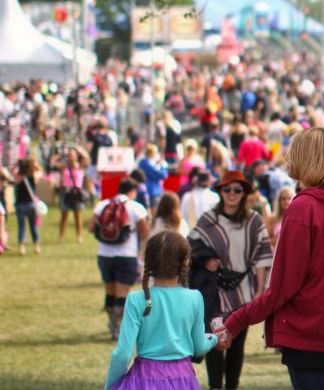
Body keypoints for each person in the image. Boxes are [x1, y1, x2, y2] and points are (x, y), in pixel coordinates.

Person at [215, 127, 324, 390]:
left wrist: (236, 321)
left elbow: (283, 286)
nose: (286, 156)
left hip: (309, 334)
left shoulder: (303, 207)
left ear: (306, 157)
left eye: (292, 151)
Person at [189, 170, 273, 390]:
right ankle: (215, 386)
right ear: (221, 192)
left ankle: (232, 386)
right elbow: (191, 247)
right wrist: (205, 260)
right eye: (227, 189)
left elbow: (262, 256)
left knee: (236, 343)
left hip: (244, 289)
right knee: (214, 341)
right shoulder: (209, 219)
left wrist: (258, 291)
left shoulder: (254, 220)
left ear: (244, 193)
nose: (232, 194)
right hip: (214, 291)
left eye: (237, 190)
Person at [105, 231, 219, 390]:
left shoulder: (136, 300)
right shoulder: (195, 298)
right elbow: (199, 347)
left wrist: (110, 385)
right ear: (186, 262)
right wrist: (213, 338)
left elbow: (123, 353)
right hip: (183, 380)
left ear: (147, 262)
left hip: (143, 380)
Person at [91, 177, 150, 341]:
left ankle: (111, 322)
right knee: (122, 293)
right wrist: (141, 251)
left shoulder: (102, 204)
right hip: (127, 254)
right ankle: (118, 327)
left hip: (104, 254)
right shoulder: (136, 207)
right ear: (133, 191)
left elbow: (91, 227)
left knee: (109, 291)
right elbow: (145, 233)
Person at [56, 146, 92, 243]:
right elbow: (54, 163)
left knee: (78, 216)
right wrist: (58, 155)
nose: (71, 158)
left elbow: (86, 157)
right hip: (66, 192)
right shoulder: (65, 167)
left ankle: (79, 236)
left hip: (76, 193)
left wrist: (79, 149)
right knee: (64, 216)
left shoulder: (80, 166)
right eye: (69, 156)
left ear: (76, 156)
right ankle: (61, 236)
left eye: (72, 156)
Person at [13, 157, 42, 255]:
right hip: (31, 205)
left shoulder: (19, 177)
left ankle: (22, 247)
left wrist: (18, 164)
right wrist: (34, 162)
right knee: (33, 226)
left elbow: (13, 172)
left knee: (21, 226)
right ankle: (36, 245)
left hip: (20, 205)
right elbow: (40, 170)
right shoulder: (34, 176)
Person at [137, 144, 168, 214]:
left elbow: (164, 174)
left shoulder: (152, 163)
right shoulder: (144, 163)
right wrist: (160, 166)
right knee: (152, 213)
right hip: (150, 191)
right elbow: (161, 175)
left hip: (156, 191)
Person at [266, 186, 294, 250]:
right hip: (275, 253)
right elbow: (266, 239)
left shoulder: (297, 218)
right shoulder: (273, 218)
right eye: (284, 198)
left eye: (289, 198)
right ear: (279, 201)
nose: (287, 201)